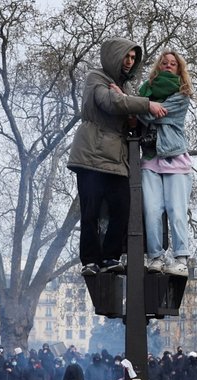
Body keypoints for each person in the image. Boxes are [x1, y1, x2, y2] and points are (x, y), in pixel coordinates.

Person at [67, 37, 166, 276]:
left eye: (133, 58)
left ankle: (111, 257)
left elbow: (130, 119)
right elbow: (109, 102)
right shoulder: (96, 78)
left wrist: (134, 111)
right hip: (91, 154)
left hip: (117, 158)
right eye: (126, 56)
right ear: (114, 56)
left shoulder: (126, 89)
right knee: (90, 211)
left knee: (122, 208)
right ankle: (90, 261)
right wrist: (146, 104)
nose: (130, 62)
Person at [137, 51, 194, 276]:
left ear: (179, 69)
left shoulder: (182, 95)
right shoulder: (146, 92)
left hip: (174, 157)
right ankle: (155, 257)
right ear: (159, 66)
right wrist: (145, 105)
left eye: (173, 64)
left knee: (176, 210)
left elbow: (154, 116)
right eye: (165, 63)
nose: (169, 66)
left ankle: (180, 258)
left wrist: (143, 107)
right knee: (151, 210)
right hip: (151, 158)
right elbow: (144, 111)